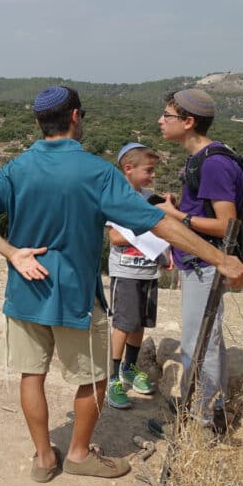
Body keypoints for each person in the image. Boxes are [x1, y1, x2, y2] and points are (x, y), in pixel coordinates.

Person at [0, 85, 243, 481]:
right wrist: (221, 258)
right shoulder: (97, 172)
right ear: (76, 117)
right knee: (95, 377)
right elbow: (158, 222)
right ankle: (78, 454)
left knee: (32, 375)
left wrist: (13, 253)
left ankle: (43, 459)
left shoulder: (17, 167)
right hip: (76, 296)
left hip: (25, 291)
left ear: (39, 122)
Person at [153, 89, 243, 436]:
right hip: (196, 263)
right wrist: (184, 209)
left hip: (205, 265)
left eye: (168, 116)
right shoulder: (200, 160)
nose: (161, 121)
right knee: (208, 339)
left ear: (189, 122)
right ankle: (213, 410)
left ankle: (202, 420)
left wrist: (176, 216)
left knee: (197, 341)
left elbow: (226, 224)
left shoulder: (214, 163)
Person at [105, 143, 172, 410]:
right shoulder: (115, 198)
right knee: (123, 323)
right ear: (128, 169)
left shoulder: (149, 198)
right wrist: (147, 226)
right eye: (149, 170)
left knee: (139, 322)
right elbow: (115, 237)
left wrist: (166, 254)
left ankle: (130, 369)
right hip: (126, 271)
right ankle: (112, 378)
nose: (153, 176)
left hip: (147, 271)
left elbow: (164, 230)